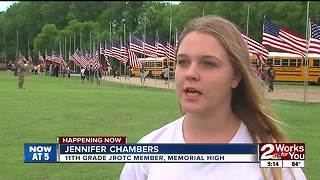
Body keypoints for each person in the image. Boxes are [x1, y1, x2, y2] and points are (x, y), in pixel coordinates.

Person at [120, 15, 306, 180]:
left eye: (208, 63)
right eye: (183, 62)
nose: (190, 73)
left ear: (235, 76)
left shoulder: (275, 157)